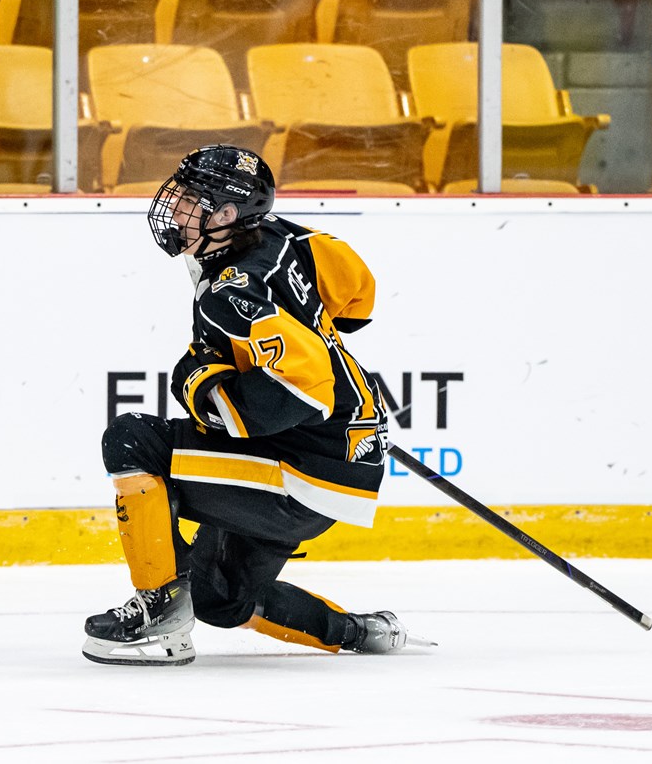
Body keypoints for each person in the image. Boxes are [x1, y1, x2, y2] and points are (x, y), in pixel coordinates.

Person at [84, 145, 427, 666]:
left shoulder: (230, 291)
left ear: (225, 216)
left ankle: (159, 612)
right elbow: (357, 295)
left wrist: (201, 386)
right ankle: (361, 633)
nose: (173, 208)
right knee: (221, 598)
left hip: (302, 472)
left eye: (190, 200)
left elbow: (308, 385)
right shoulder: (285, 238)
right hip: (342, 457)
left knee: (134, 440)